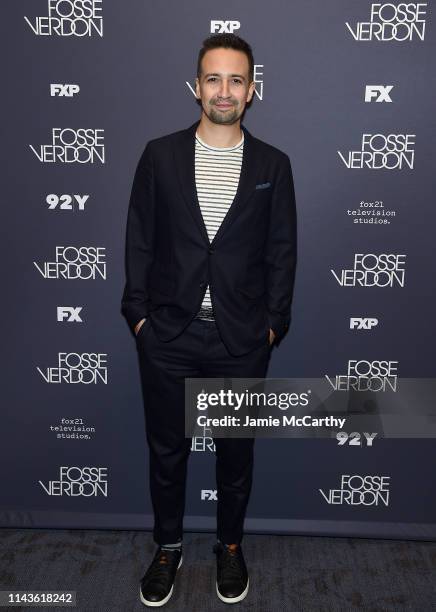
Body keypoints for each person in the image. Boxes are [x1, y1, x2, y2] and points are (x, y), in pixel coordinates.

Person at [121, 33, 297, 607]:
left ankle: (229, 546)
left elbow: (281, 251)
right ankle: (168, 547)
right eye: (214, 78)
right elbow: (140, 241)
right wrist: (140, 318)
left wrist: (272, 324)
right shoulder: (160, 155)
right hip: (168, 337)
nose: (225, 91)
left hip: (241, 340)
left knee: (235, 452)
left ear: (252, 90)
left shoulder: (273, 164)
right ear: (196, 86)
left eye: (236, 80)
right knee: (167, 452)